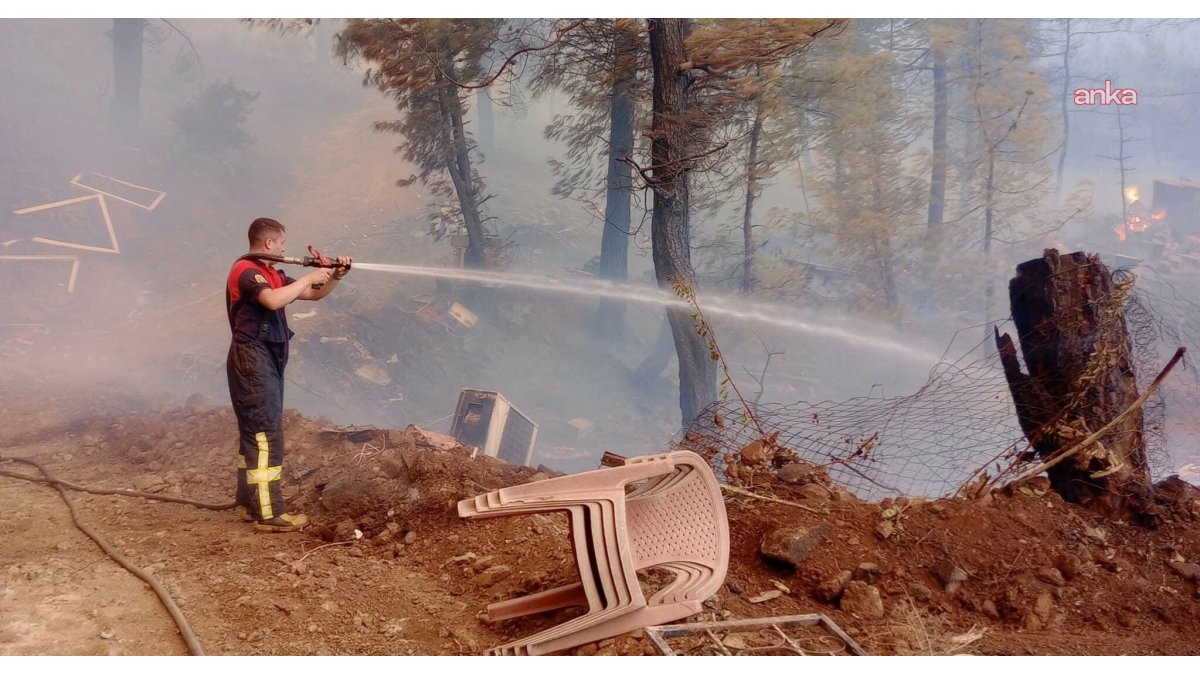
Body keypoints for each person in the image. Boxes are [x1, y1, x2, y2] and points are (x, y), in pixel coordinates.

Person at [225, 217, 352, 532]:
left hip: (265, 358)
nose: (284, 248)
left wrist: (334, 276)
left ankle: (248, 501)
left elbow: (313, 295)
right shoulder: (246, 271)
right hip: (251, 359)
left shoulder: (271, 274)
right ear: (269, 243)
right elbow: (272, 300)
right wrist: (310, 276)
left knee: (254, 435)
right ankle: (269, 514)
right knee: (266, 436)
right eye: (282, 243)